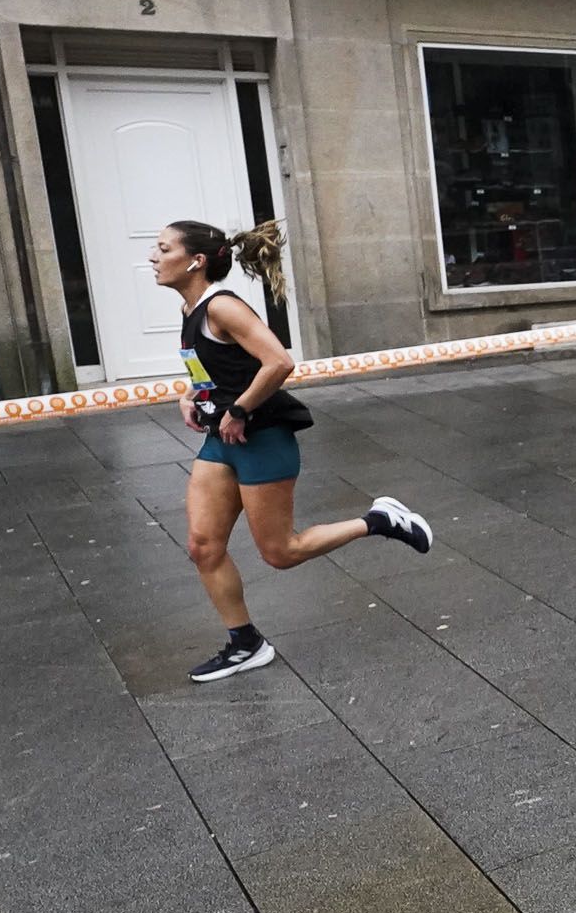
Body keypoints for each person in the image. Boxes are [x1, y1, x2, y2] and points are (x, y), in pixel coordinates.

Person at [160, 220, 433, 680]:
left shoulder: (222, 307)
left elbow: (279, 361)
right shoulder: (192, 309)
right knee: (203, 547)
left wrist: (241, 409)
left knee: (281, 553)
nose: (154, 256)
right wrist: (191, 395)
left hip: (260, 438)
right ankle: (245, 643)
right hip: (220, 443)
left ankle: (379, 520)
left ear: (195, 261)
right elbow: (220, 367)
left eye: (163, 248)